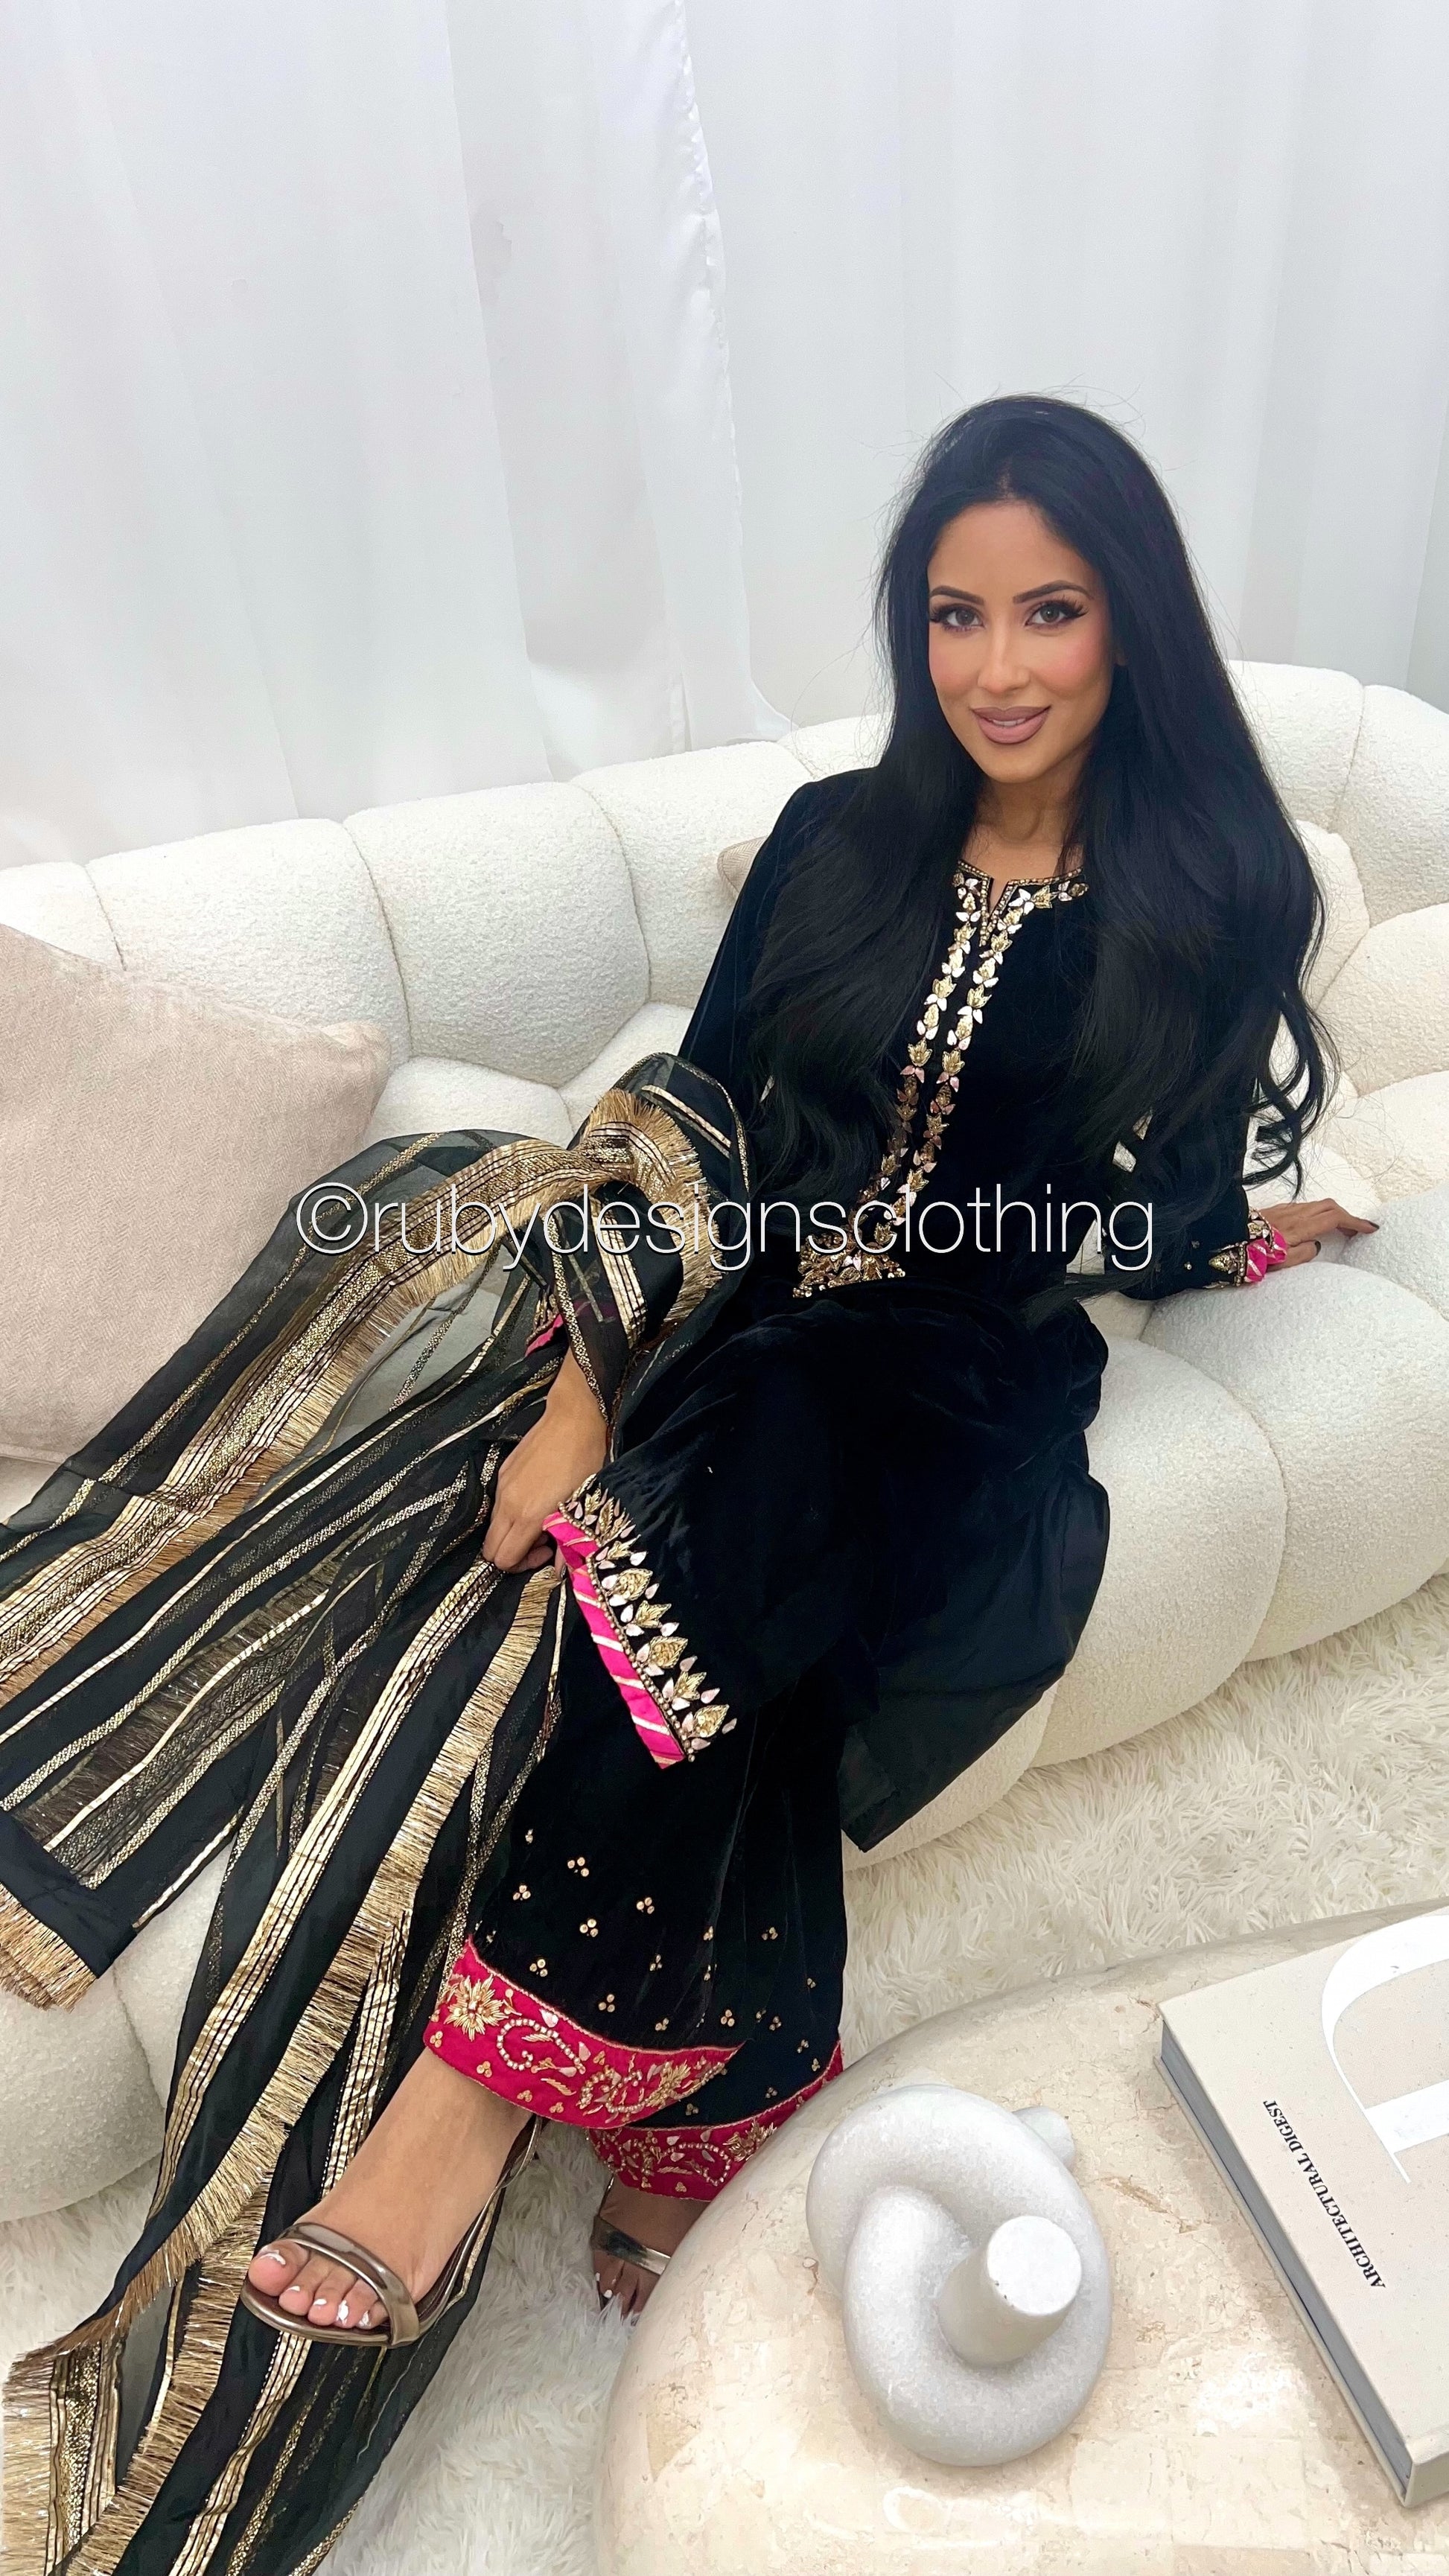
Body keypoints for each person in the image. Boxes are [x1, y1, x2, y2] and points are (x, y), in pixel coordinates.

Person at [0, 395, 1374, 2575]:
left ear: (1132, 625)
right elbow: (701, 1122)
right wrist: (581, 1389)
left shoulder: (1216, 893)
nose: (997, 665)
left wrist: (1247, 1237)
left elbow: (1159, 1203)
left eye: (1048, 611)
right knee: (729, 1496)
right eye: (954, 615)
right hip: (730, 1311)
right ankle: (718, 2098)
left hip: (959, 1373)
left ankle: (459, 2110)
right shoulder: (839, 836)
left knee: (794, 1457)